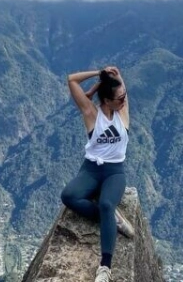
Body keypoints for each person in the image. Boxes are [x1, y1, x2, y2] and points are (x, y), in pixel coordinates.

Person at [61, 66, 135, 282]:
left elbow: (121, 88)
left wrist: (115, 76)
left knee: (106, 204)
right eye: (119, 99)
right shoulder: (91, 114)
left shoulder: (122, 113)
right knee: (68, 196)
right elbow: (71, 78)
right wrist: (97, 75)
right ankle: (112, 220)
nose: (123, 101)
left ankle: (105, 266)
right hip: (91, 169)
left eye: (123, 97)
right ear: (106, 100)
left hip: (114, 171)